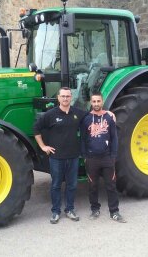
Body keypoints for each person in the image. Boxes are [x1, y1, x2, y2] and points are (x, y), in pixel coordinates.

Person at [34, 87, 87, 224]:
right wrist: (43, 146)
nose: (65, 99)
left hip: (73, 157)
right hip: (56, 158)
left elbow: (92, 115)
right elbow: (36, 129)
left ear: (71, 98)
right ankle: (55, 211)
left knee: (72, 185)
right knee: (56, 185)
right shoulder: (50, 114)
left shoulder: (77, 113)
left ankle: (70, 209)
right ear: (58, 98)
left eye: (68, 96)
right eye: (63, 96)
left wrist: (109, 114)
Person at [80, 92, 126, 223]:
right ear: (90, 102)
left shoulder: (109, 118)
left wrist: (113, 156)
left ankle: (114, 211)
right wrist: (85, 156)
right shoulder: (86, 119)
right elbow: (83, 139)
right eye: (93, 101)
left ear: (102, 101)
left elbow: (114, 138)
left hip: (107, 158)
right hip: (91, 159)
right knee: (92, 186)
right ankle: (95, 209)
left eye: (98, 101)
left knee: (111, 185)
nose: (96, 104)